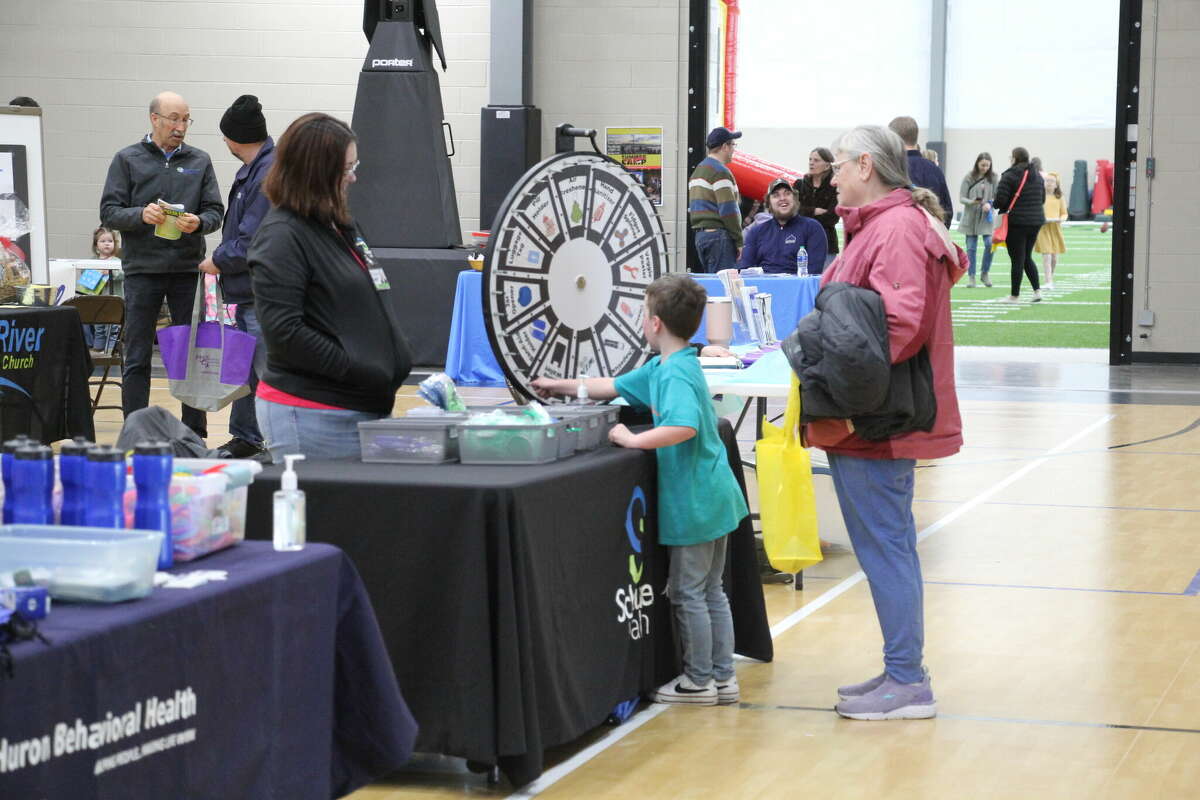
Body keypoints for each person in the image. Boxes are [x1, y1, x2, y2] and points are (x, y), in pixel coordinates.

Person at [531, 274, 749, 707]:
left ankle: (699, 680)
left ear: (653, 324)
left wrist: (632, 439)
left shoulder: (672, 378)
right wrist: (559, 386)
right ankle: (724, 677)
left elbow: (682, 426)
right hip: (717, 497)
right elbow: (613, 386)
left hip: (695, 502)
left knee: (689, 593)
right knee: (711, 591)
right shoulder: (671, 364)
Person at [816, 125, 965, 720]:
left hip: (876, 423)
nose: (830, 176)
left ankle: (907, 682)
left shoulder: (897, 229)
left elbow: (899, 328)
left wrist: (843, 395)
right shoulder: (884, 226)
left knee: (886, 551)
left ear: (864, 166)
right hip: (871, 419)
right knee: (888, 547)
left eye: (838, 167)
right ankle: (902, 671)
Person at [249, 112, 412, 462]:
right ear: (316, 176)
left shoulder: (340, 227)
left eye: (354, 165)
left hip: (356, 407)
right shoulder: (281, 236)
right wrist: (359, 368)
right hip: (314, 415)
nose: (353, 177)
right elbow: (284, 333)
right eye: (345, 169)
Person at [99, 91, 224, 438]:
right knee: (137, 355)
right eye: (173, 118)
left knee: (188, 354)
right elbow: (109, 212)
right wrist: (141, 214)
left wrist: (199, 222)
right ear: (154, 119)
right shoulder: (127, 159)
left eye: (186, 119)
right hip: (142, 271)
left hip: (186, 271)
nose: (180, 127)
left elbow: (216, 212)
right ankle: (136, 432)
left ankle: (195, 433)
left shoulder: (201, 160)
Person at [197, 95, 276, 460]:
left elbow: (250, 241)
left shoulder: (265, 173)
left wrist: (217, 259)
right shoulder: (258, 168)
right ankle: (247, 437)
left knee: (265, 372)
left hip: (262, 292)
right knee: (249, 370)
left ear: (234, 138)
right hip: (250, 291)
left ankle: (273, 442)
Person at [740, 178, 827, 274]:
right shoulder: (756, 232)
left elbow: (813, 272)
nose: (782, 198)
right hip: (763, 286)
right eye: (776, 195)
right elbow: (745, 270)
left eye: (787, 193)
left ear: (795, 199)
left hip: (798, 287)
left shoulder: (812, 228)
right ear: (769, 203)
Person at [993, 146, 1045, 303]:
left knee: (1017, 259)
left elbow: (1000, 200)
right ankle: (1037, 291)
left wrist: (994, 203)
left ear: (1014, 158)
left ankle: (1014, 295)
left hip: (1016, 222)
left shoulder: (1009, 175)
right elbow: (1042, 199)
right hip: (1036, 221)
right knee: (1026, 257)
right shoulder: (1037, 176)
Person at [688, 127, 743, 273]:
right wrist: (738, 240)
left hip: (701, 237)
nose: (733, 150)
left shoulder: (697, 171)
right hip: (719, 238)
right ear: (724, 146)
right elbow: (728, 210)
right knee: (724, 288)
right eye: (733, 145)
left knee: (713, 286)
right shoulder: (720, 172)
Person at [887, 116, 953, 227]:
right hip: (931, 237)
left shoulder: (890, 170)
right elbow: (947, 212)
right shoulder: (935, 170)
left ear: (893, 139)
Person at [794, 148, 840, 268]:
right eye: (810, 159)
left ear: (827, 166)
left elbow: (832, 218)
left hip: (827, 246)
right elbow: (793, 212)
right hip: (801, 244)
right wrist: (814, 211)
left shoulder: (835, 187)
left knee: (823, 284)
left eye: (816, 160)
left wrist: (804, 214)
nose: (811, 163)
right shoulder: (800, 184)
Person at [958, 153, 997, 288]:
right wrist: (973, 202)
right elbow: (961, 198)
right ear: (977, 164)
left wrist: (990, 204)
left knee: (989, 244)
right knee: (971, 248)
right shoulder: (969, 177)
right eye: (982, 165)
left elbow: (997, 196)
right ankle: (971, 277)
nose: (985, 168)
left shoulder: (993, 178)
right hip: (971, 216)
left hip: (987, 217)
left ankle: (985, 273)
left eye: (987, 165)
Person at [85, 226, 122, 352]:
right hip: (96, 301)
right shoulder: (91, 261)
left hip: (113, 302)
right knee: (99, 327)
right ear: (96, 245)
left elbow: (123, 274)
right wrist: (95, 272)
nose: (107, 244)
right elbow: (85, 276)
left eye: (110, 241)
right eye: (103, 241)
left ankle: (110, 351)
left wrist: (110, 273)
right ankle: (98, 349)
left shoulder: (117, 261)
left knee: (112, 327)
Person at [1035, 170, 1067, 288]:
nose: (1048, 183)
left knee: (1054, 257)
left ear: (1056, 184)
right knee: (1047, 254)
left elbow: (1064, 213)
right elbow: (1036, 210)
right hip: (1042, 228)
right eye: (1047, 181)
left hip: (1055, 228)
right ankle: (1048, 281)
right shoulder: (1039, 196)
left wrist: (1061, 219)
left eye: (1051, 181)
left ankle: (1050, 278)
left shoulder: (1059, 197)